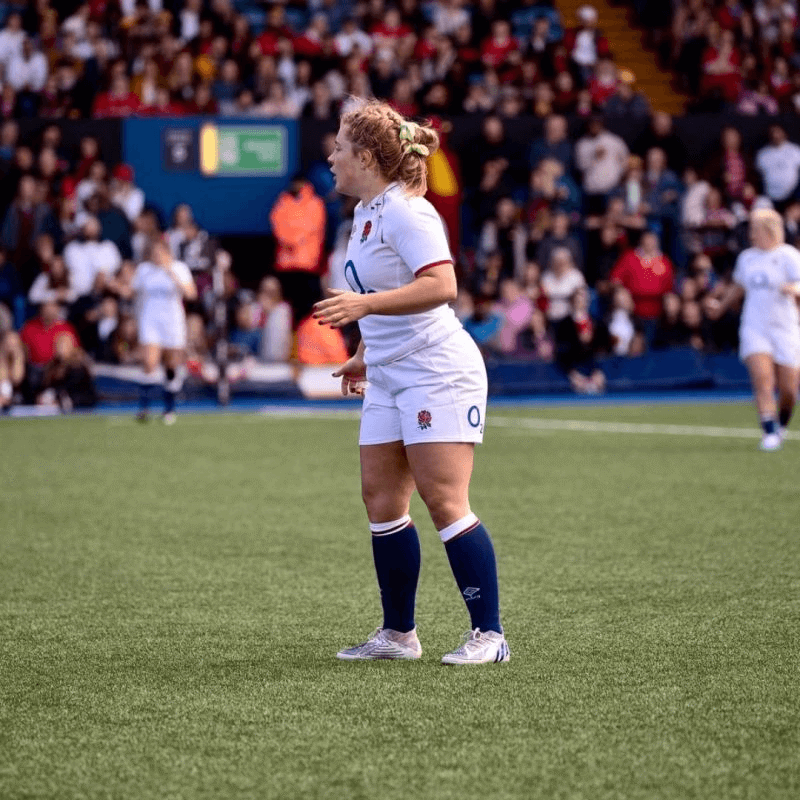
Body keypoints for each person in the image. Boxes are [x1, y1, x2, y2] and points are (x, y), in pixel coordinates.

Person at [314, 99, 509, 665]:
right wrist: (364, 352)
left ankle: (490, 636)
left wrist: (363, 306)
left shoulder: (406, 212)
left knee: (444, 498)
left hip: (437, 371)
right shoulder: (367, 213)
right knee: (381, 500)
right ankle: (399, 635)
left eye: (340, 148)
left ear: (367, 157)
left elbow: (442, 285)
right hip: (391, 373)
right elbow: (388, 300)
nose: (331, 157)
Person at [712, 209, 800, 450]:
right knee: (763, 379)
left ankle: (781, 423)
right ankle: (769, 430)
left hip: (785, 327)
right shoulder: (747, 258)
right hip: (755, 325)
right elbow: (739, 286)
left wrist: (793, 289)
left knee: (789, 390)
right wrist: (720, 307)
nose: (751, 234)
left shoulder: (789, 256)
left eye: (755, 229)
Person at [132, 238, 197, 424]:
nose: (156, 256)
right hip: (150, 320)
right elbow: (132, 291)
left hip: (172, 322)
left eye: (160, 252)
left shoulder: (179, 268)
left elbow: (191, 294)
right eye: (153, 252)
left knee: (171, 365)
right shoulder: (144, 270)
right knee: (149, 362)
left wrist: (171, 274)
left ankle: (169, 409)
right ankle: (144, 407)